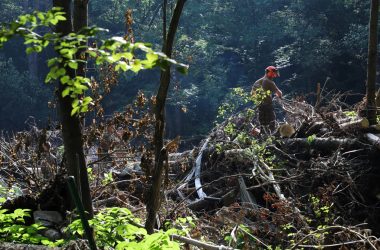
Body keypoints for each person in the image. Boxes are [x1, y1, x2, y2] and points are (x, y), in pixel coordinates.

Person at [251, 66, 282, 130]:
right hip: (268, 106)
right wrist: (279, 97)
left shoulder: (258, 81)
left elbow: (252, 94)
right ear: (270, 72)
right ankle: (272, 137)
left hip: (259, 106)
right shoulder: (269, 82)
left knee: (262, 124)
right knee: (272, 123)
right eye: (274, 73)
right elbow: (279, 93)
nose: (275, 75)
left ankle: (263, 137)